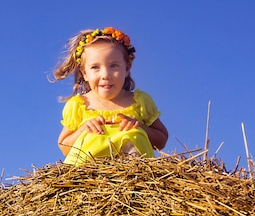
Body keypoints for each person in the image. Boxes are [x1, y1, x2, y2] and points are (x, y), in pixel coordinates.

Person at [52, 27, 168, 165]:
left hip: (134, 175)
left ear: (127, 68)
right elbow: (64, 146)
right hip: (88, 177)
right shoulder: (79, 105)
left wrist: (140, 127)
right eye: (95, 67)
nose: (105, 75)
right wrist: (83, 129)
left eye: (114, 66)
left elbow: (161, 140)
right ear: (84, 73)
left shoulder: (140, 102)